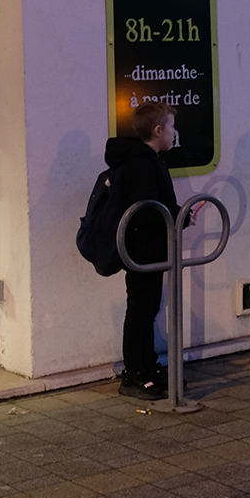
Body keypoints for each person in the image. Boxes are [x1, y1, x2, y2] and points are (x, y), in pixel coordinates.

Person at [105, 101, 182, 401]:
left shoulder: (151, 159)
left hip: (151, 248)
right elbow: (148, 209)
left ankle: (149, 365)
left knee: (149, 308)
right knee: (140, 309)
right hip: (142, 249)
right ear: (158, 130)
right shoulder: (142, 163)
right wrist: (180, 216)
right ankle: (134, 372)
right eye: (172, 127)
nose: (175, 133)